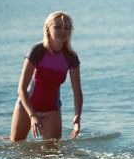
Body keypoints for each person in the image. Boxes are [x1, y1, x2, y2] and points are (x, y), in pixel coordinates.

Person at [10, 11, 83, 142]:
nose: (62, 31)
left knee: (53, 152)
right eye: (58, 27)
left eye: (66, 27)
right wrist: (32, 116)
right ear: (47, 29)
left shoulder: (71, 57)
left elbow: (77, 92)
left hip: (52, 111)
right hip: (27, 108)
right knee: (16, 146)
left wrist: (77, 117)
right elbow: (21, 89)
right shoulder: (37, 51)